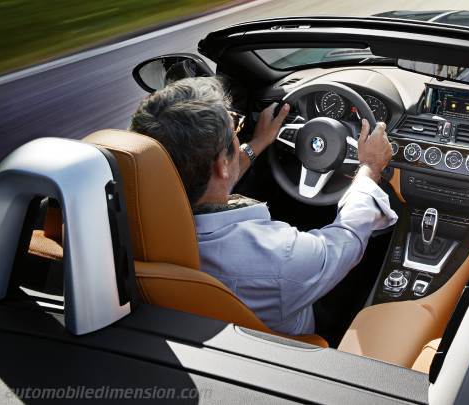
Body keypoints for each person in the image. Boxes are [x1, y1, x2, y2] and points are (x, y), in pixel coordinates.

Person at [129, 77, 397, 335]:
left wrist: (256, 144)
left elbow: (211, 177)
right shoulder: (280, 256)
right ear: (222, 164)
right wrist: (370, 167)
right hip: (298, 342)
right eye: (234, 129)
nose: (237, 134)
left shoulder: (127, 223)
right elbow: (347, 240)